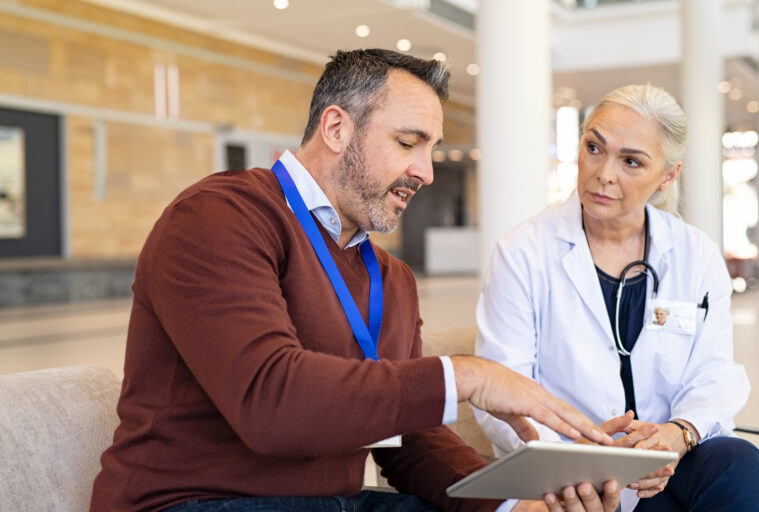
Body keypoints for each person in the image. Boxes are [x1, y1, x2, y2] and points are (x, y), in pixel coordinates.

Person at [90, 49, 621, 512]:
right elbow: (269, 402)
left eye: (431, 148)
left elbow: (408, 440)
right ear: (337, 128)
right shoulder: (219, 217)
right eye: (408, 142)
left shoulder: (390, 278)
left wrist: (510, 505)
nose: (426, 171)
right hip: (198, 501)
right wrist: (470, 376)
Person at [474, 83, 759, 512]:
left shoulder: (693, 253)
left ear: (668, 175)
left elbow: (714, 375)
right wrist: (579, 463)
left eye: (631, 161)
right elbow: (503, 391)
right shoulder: (523, 252)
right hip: (569, 472)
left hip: (670, 463)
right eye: (594, 148)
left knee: (738, 463)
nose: (604, 173)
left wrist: (678, 434)